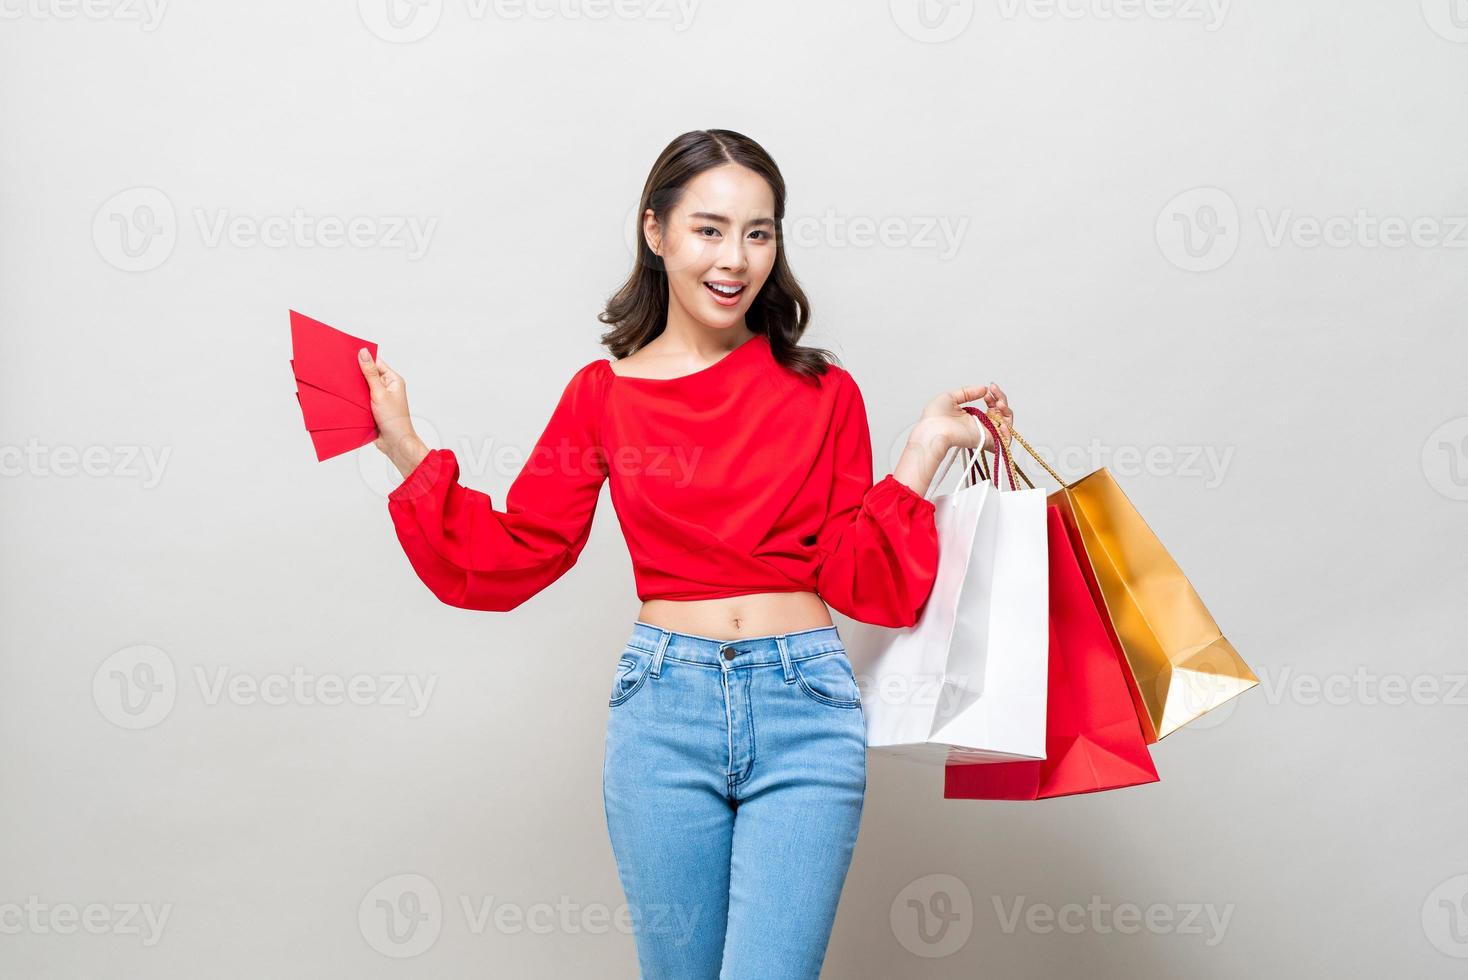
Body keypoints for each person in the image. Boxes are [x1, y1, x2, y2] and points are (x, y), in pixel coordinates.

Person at [356, 129, 1013, 980]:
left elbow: (867, 581)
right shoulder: (602, 396)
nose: (734, 259)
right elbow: (518, 550)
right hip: (664, 711)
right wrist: (407, 446)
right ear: (655, 232)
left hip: (807, 707)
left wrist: (920, 453)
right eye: (709, 229)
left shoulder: (823, 392)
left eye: (758, 232)